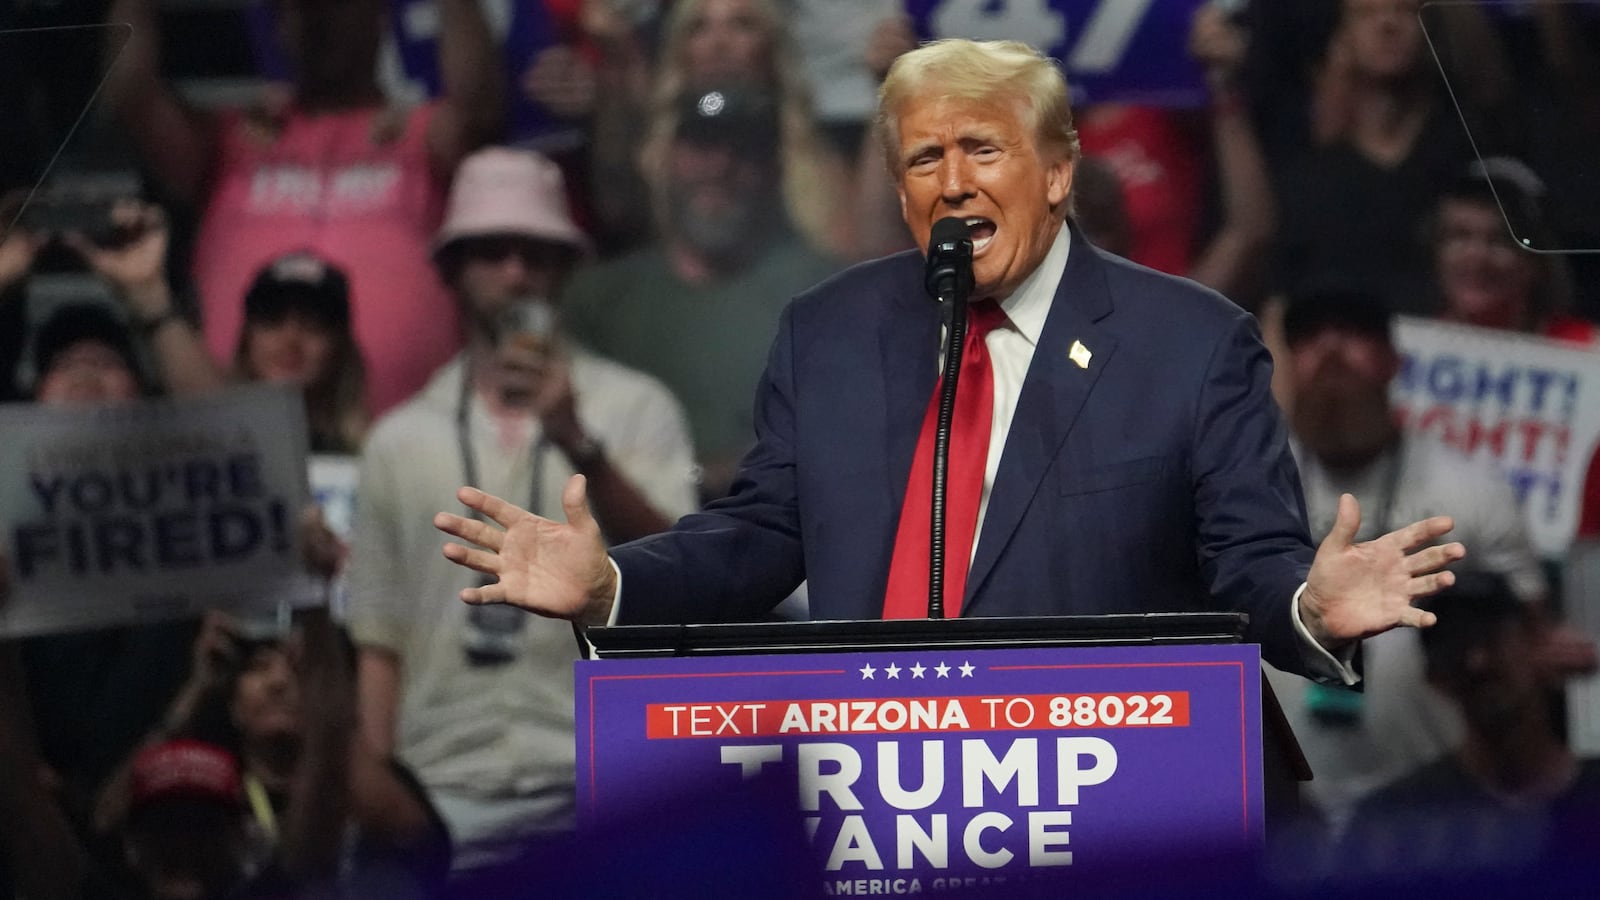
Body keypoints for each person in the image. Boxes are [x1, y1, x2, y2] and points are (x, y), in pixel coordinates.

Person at [436, 39, 1463, 684]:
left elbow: (1250, 561)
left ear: (1056, 172)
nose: (955, 183)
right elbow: (757, 536)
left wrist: (1308, 609)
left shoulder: (1190, 344)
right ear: (900, 194)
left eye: (984, 149)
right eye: (926, 159)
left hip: (1106, 806)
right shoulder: (828, 333)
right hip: (878, 796)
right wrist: (614, 584)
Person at [346, 147, 697, 872]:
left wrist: (578, 442)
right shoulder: (399, 440)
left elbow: (685, 582)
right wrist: (383, 798)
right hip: (439, 787)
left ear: (565, 268)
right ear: (452, 270)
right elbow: (379, 641)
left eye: (536, 254)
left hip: (599, 777)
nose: (515, 273)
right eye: (492, 252)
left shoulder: (634, 409)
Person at [103, 0, 501, 416]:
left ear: (379, 17)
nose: (317, 27)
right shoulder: (234, 142)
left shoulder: (419, 137)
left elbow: (478, 106)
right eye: (297, 10)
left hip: (401, 442)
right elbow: (132, 93)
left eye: (335, 11)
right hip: (241, 438)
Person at [1265, 289, 1549, 830]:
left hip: (1434, 804)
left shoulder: (1471, 489)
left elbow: (1531, 639)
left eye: (1355, 333)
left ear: (1394, 361)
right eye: (1309, 336)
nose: (1331, 348)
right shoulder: (1249, 493)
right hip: (1281, 806)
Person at [563, 82, 840, 501]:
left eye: (742, 151)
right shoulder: (600, 298)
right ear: (666, 160)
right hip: (620, 521)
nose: (720, 166)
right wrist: (675, 478)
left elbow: (835, 426)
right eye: (701, 146)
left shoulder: (819, 290)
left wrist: (713, 474)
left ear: (773, 170)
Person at [1340, 573, 1600, 880]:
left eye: (1493, 639)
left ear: (1535, 644)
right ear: (1434, 677)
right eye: (1456, 645)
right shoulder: (1392, 824)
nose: (1478, 662)